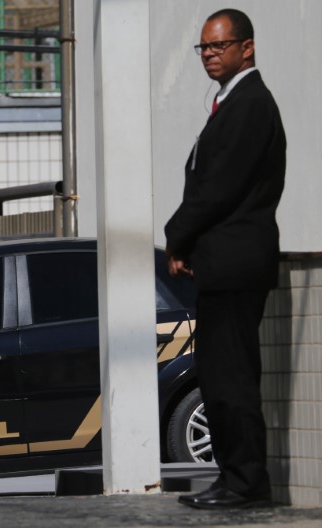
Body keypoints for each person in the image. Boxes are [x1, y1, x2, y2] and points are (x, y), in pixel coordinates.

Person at [165, 8, 286, 510]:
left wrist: (177, 237)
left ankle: (245, 484)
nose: (210, 55)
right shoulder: (228, 102)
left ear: (247, 47)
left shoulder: (250, 104)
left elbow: (218, 188)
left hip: (237, 264)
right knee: (218, 377)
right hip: (222, 264)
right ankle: (233, 477)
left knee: (231, 378)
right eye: (204, 48)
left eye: (219, 46)